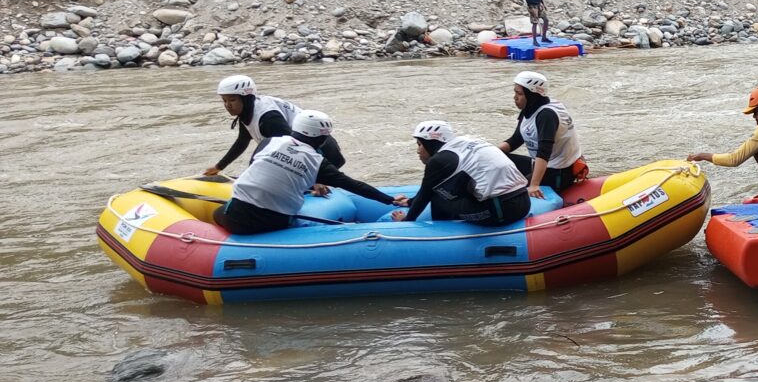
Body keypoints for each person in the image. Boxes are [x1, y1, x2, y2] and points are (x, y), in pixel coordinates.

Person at [211, 111, 394, 235]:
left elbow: (256, 169)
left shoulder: (268, 142)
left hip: (237, 218)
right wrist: (389, 200)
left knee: (216, 214)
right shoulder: (317, 162)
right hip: (275, 222)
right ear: (322, 138)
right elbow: (355, 186)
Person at [203, 74, 344, 177]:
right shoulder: (247, 112)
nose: (228, 105)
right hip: (306, 153)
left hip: (323, 152)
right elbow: (242, 141)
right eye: (224, 100)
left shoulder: (269, 119)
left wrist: (318, 179)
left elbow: (296, 150)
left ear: (246, 99)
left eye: (232, 100)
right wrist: (219, 167)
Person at [392, 121, 531, 225]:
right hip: (523, 202)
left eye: (419, 144)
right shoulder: (467, 142)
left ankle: (442, 236)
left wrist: (406, 221)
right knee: (450, 185)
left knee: (436, 194)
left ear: (431, 143)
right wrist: (410, 201)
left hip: (500, 212)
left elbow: (425, 194)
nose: (418, 151)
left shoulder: (439, 160)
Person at [497, 70, 587, 197]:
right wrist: (491, 153)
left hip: (559, 173)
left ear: (531, 95)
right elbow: (516, 139)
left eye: (519, 93)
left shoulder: (546, 116)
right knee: (499, 160)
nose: (515, 97)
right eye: (515, 92)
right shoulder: (530, 108)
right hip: (544, 166)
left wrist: (534, 185)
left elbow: (544, 152)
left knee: (509, 191)